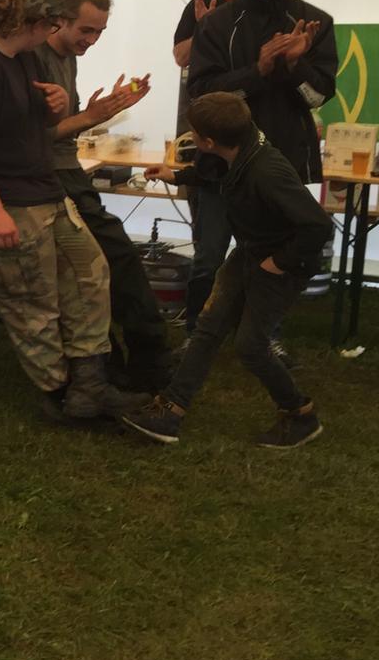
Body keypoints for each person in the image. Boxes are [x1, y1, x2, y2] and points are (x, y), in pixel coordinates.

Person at [0, 0, 147, 422]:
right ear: (32, 21)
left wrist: (57, 103)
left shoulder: (22, 58)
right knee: (31, 301)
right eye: (53, 23)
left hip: (46, 192)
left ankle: (90, 384)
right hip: (10, 202)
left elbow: (35, 123)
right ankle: (58, 395)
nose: (55, 32)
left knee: (89, 275)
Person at [123, 92, 330, 448]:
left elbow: (318, 226)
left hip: (280, 265)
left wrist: (277, 263)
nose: (191, 138)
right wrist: (179, 175)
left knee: (251, 347)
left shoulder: (267, 172)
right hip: (250, 252)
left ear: (208, 142)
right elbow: (219, 175)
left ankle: (300, 415)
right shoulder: (240, 148)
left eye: (194, 134)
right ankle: (170, 412)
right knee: (208, 328)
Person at [185, 0, 337, 353]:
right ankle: (198, 337)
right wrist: (260, 70)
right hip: (220, 165)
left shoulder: (316, 22)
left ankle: (265, 336)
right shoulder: (217, 24)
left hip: (281, 165)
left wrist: (295, 63)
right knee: (209, 256)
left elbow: (318, 97)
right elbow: (202, 94)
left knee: (275, 256)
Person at [33, 0, 170, 390]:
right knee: (108, 259)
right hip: (46, 177)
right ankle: (136, 362)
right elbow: (30, 136)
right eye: (86, 30)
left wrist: (98, 112)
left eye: (99, 32)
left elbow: (62, 127)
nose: (91, 41)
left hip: (66, 171)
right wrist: (90, 117)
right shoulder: (35, 59)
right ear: (60, 20)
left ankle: (134, 362)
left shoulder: (66, 58)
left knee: (108, 260)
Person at [173, 0, 246, 134]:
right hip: (204, 105)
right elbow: (181, 58)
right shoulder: (201, 3)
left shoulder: (263, 8)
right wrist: (205, 28)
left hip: (249, 103)